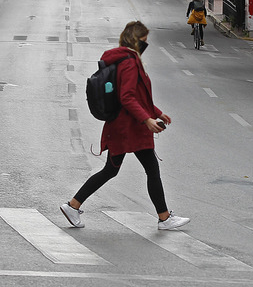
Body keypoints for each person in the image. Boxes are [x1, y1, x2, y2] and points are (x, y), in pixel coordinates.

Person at [60, 21, 190, 231]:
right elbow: (127, 97)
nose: (145, 45)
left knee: (119, 170)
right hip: (128, 128)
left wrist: (157, 113)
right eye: (144, 41)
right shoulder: (129, 62)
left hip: (127, 127)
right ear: (134, 40)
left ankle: (73, 205)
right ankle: (164, 218)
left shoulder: (125, 59)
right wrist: (147, 120)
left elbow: (140, 96)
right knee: (128, 170)